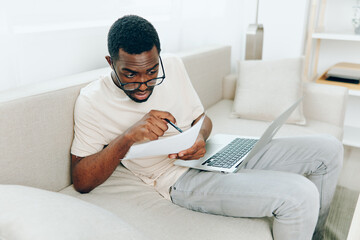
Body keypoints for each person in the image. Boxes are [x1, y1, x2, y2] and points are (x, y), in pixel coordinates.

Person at [70, 15, 343, 240]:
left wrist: (199, 137)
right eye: (130, 74)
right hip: (177, 179)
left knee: (328, 149)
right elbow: (82, 180)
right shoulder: (92, 101)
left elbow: (203, 119)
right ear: (111, 63)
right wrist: (128, 137)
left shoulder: (174, 66)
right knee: (299, 194)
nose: (143, 85)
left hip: (212, 151)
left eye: (152, 72)